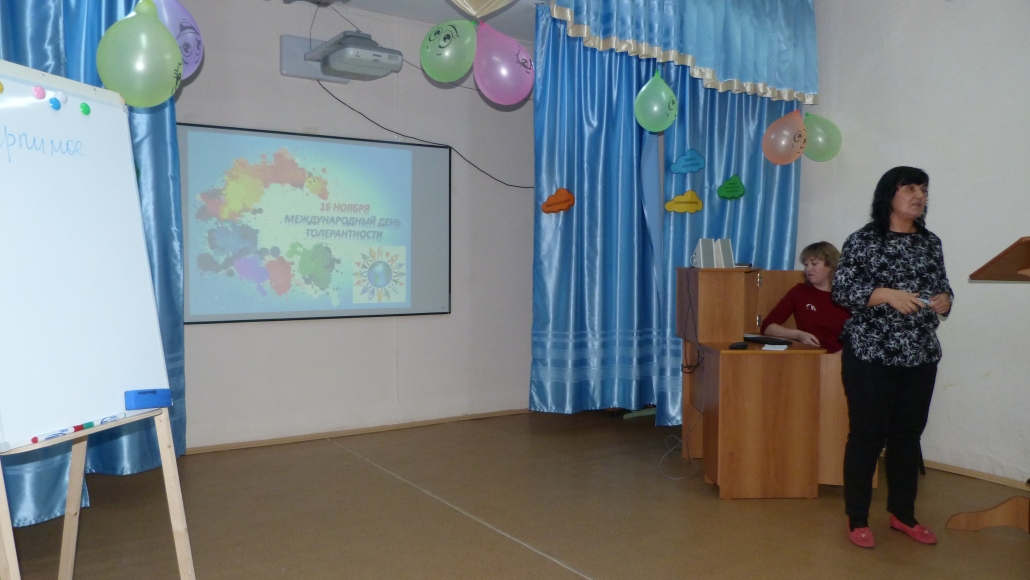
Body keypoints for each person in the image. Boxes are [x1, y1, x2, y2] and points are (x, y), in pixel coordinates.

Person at [831, 166, 953, 548]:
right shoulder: (863, 240)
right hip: (871, 353)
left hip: (920, 354)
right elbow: (843, 291)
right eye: (910, 188)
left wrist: (945, 301)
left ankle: (903, 514)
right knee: (867, 435)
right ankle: (857, 517)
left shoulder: (930, 242)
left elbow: (942, 287)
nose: (919, 195)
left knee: (907, 436)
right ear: (889, 194)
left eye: (924, 190)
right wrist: (884, 294)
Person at [760, 241, 851, 353]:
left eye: (814, 263)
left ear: (831, 266)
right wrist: (797, 335)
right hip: (809, 356)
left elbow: (863, 335)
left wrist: (842, 355)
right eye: (806, 264)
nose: (808, 269)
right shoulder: (800, 292)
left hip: (841, 357)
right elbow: (767, 327)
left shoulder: (849, 295)